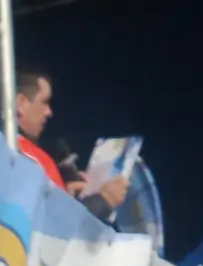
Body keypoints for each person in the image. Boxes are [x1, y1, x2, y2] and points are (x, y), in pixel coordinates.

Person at [13, 67, 129, 215]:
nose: (49, 112)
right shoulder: (22, 157)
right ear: (21, 104)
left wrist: (67, 198)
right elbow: (50, 223)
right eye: (44, 102)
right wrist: (102, 201)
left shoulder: (19, 154)